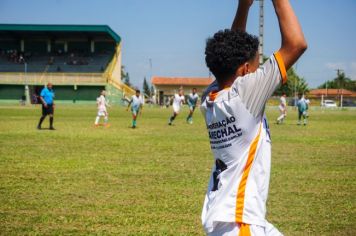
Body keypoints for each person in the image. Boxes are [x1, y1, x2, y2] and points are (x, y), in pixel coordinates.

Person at [200, 0, 307, 235]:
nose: (260, 70)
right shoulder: (245, 94)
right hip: (240, 223)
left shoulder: (210, 97)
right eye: (258, 65)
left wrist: (244, 6)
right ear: (245, 70)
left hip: (228, 216)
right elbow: (296, 44)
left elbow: (231, 53)